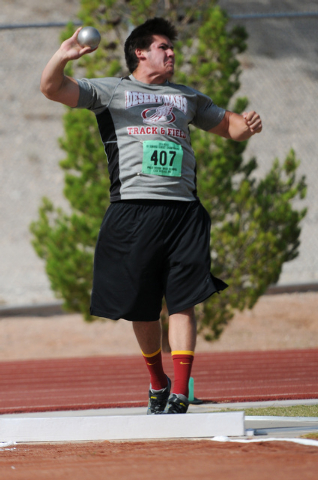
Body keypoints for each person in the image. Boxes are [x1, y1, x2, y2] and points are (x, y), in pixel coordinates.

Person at [40, 17, 262, 414]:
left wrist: (247, 125)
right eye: (164, 47)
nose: (172, 53)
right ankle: (157, 382)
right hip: (133, 210)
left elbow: (230, 127)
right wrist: (63, 55)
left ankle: (179, 393)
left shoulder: (186, 97)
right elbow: (52, 88)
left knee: (183, 301)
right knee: (141, 309)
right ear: (140, 52)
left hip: (184, 213)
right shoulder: (111, 91)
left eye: (172, 48)